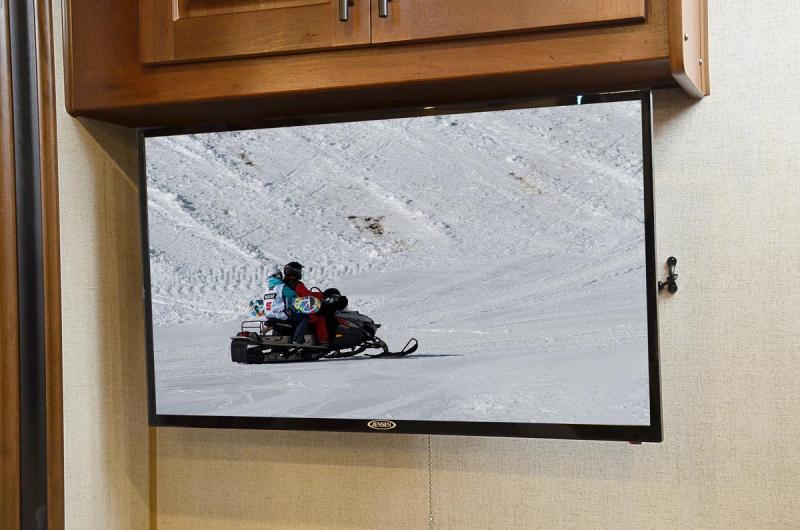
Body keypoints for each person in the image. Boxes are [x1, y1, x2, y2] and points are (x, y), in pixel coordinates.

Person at [269, 261, 330, 346]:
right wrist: (322, 295)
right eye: (300, 270)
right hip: (295, 311)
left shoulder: (281, 284)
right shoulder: (296, 284)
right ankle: (323, 341)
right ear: (295, 271)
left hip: (281, 311)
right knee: (319, 318)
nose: (300, 272)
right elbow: (308, 295)